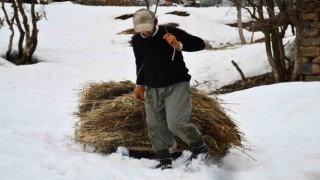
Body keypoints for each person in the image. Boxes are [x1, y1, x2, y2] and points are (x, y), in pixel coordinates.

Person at [132, 8, 209, 170]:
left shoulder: (170, 32)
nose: (144, 31)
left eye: (148, 27)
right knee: (155, 125)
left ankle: (200, 147)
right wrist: (139, 85)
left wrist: (179, 45)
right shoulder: (137, 40)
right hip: (153, 87)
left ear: (155, 22)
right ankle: (165, 160)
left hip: (176, 84)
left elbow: (200, 44)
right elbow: (141, 63)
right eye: (140, 29)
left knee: (176, 122)